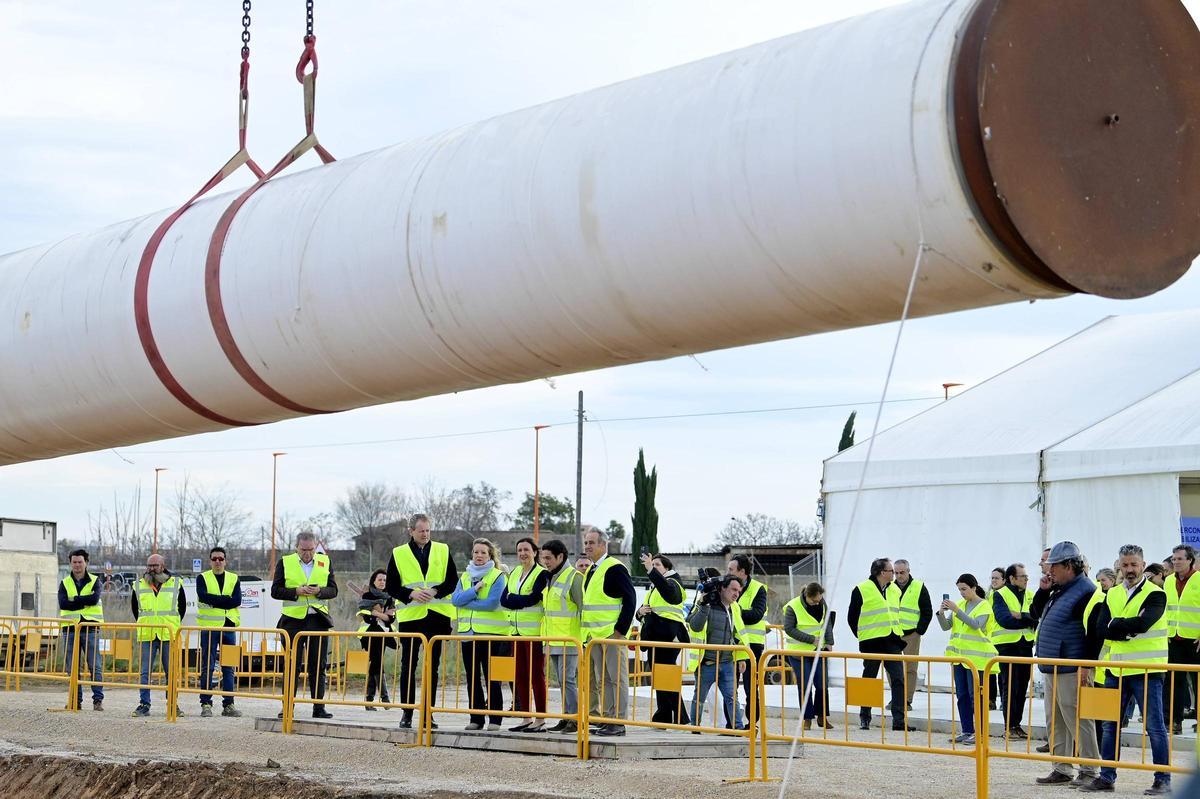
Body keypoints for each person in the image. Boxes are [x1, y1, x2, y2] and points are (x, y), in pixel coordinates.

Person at [1081, 544, 1171, 795]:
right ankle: (1107, 777)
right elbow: (1102, 629)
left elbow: (1143, 623)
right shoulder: (1112, 594)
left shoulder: (1156, 594)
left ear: (1143, 565)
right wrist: (1124, 627)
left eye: (1134, 565)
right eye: (1125, 564)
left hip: (1146, 671)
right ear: (1119, 565)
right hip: (1116, 669)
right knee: (1110, 727)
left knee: (1155, 727)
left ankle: (1163, 778)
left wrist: (1117, 625)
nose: (1129, 569)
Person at [1032, 541, 1100, 788]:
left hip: (1072, 667)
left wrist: (1086, 665)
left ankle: (1089, 769)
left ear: (1069, 566)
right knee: (1056, 720)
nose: (1049, 571)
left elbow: (1092, 633)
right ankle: (1061, 767)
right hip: (1054, 664)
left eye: (1053, 567)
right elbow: (1035, 613)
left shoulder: (1086, 591)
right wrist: (1042, 590)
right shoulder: (1060, 588)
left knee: (1079, 720)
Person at [386, 513, 458, 730]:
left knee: (432, 667)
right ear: (411, 531)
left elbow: (453, 580)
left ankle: (429, 712)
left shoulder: (443, 550)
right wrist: (410, 594)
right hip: (411, 618)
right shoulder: (398, 553)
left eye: (428, 530)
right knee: (408, 665)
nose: (425, 534)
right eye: (421, 531)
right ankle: (407, 712)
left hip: (437, 617)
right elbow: (391, 585)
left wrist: (435, 590)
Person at [271, 531, 338, 719]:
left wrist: (319, 591)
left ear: (315, 547)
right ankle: (288, 707)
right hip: (292, 621)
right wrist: (296, 591)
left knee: (318, 666)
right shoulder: (285, 562)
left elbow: (333, 590)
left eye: (310, 550)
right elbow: (275, 591)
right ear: (296, 547)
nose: (307, 554)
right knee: (292, 666)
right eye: (303, 550)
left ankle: (318, 707)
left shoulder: (325, 562)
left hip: (318, 620)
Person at [581, 526, 636, 737]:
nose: (587, 546)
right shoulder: (592, 570)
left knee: (617, 679)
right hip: (596, 637)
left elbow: (630, 599)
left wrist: (620, 630)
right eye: (586, 542)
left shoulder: (614, 567)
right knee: (603, 680)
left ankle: (618, 722)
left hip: (612, 636)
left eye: (591, 542)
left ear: (603, 545)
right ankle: (607, 719)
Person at [453, 538, 509, 731]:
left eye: (483, 552)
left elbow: (492, 603)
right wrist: (475, 590)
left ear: (490, 555)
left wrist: (467, 600)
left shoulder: (497, 576)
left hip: (491, 635)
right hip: (469, 635)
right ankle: (476, 718)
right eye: (476, 552)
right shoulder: (465, 577)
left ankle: (495, 719)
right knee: (472, 678)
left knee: (492, 678)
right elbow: (455, 599)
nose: (478, 555)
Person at [847, 557, 909, 731]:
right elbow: (852, 617)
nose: (894, 574)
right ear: (882, 573)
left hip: (892, 640)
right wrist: (862, 636)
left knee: (898, 679)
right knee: (869, 680)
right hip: (872, 642)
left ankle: (899, 721)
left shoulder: (895, 590)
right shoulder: (861, 589)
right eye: (891, 571)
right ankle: (865, 717)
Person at [938, 573, 996, 746]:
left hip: (977, 660)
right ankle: (967, 730)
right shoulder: (961, 605)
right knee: (962, 695)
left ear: (974, 588)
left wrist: (956, 610)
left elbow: (976, 624)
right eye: (959, 589)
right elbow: (946, 627)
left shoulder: (984, 605)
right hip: (959, 659)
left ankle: (980, 732)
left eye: (964, 589)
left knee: (975, 696)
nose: (961, 593)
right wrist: (941, 613)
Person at [501, 537, 550, 732]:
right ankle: (525, 717)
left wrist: (515, 599)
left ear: (535, 552)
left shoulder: (541, 574)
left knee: (536, 676)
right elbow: (503, 599)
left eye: (526, 550)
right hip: (516, 632)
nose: (523, 553)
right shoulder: (514, 573)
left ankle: (541, 718)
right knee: (520, 675)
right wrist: (516, 600)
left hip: (534, 634)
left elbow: (534, 598)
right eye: (519, 550)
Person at [637, 552, 690, 725]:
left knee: (666, 677)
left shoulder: (673, 582)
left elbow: (669, 593)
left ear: (667, 568)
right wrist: (640, 613)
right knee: (660, 677)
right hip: (656, 636)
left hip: (669, 637)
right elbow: (648, 610)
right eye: (654, 564)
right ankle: (664, 715)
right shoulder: (655, 587)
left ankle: (681, 718)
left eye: (658, 564)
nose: (654, 566)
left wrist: (650, 569)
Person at [687, 574, 747, 729]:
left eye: (739, 592)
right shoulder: (707, 604)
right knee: (698, 699)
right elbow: (695, 626)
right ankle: (695, 728)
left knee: (732, 698)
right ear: (722, 588)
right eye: (733, 589)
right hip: (707, 662)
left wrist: (741, 658)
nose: (736, 594)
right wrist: (703, 605)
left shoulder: (735, 608)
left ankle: (738, 728)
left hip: (727, 662)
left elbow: (738, 634)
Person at [131, 553, 185, 717]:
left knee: (171, 672)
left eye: (155, 565)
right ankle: (144, 704)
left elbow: (181, 608)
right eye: (149, 565)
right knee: (145, 672)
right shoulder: (139, 585)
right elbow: (135, 609)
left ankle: (172, 705)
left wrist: (171, 625)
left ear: (163, 566)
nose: (152, 569)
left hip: (168, 635)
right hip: (147, 634)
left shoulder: (176, 583)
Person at [539, 540, 582, 733]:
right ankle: (566, 717)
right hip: (555, 639)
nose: (545, 562)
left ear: (560, 557)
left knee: (568, 680)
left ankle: (574, 719)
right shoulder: (552, 577)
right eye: (543, 558)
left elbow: (583, 609)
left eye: (548, 558)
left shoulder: (574, 577)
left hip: (570, 639)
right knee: (562, 681)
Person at [196, 546, 243, 718]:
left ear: (225, 561)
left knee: (229, 667)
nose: (217, 562)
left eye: (220, 559)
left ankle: (228, 705)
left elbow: (237, 600)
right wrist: (226, 601)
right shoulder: (202, 578)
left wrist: (216, 601)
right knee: (207, 666)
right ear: (210, 561)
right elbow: (203, 596)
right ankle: (206, 703)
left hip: (228, 627)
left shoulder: (233, 578)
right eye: (214, 559)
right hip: (209, 629)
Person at [991, 562, 1035, 738]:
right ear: (1012, 578)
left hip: (1025, 645)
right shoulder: (1000, 595)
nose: (1026, 579)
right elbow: (1004, 620)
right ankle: (1009, 726)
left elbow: (1037, 618)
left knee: (1022, 686)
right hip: (1007, 646)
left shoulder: (1030, 595)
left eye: (1026, 576)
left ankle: (1017, 724)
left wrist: (1021, 616)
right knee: (1009, 686)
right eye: (1022, 576)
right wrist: (1028, 619)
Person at [782, 581, 833, 730]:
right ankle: (807, 718)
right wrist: (811, 639)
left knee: (822, 685)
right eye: (815, 601)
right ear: (807, 596)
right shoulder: (793, 606)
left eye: (819, 600)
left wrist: (829, 642)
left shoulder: (822, 603)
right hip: (799, 653)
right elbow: (789, 629)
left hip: (819, 651)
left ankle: (822, 717)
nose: (818, 603)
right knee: (805, 686)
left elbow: (827, 622)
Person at [58, 548, 104, 711]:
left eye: (80, 562)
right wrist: (83, 601)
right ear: (70, 563)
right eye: (74, 562)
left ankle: (97, 701)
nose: (77, 565)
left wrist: (75, 600)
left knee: (95, 666)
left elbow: (94, 599)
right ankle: (75, 700)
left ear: (86, 563)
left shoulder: (95, 581)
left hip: (91, 628)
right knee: (72, 667)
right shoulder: (64, 583)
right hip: (70, 629)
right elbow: (63, 604)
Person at [727, 554, 768, 725]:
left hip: (753, 646)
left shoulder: (759, 589)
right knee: (730, 687)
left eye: (731, 569)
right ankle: (732, 723)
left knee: (752, 687)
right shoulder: (726, 586)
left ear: (742, 572)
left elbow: (756, 616)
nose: (727, 572)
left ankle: (752, 724)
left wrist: (733, 612)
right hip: (731, 643)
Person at [1165, 544, 1200, 735]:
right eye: (1174, 559)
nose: (1175, 562)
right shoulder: (1168, 581)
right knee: (1173, 682)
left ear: (1190, 560)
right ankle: (1174, 721)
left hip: (1195, 640)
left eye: (1179, 558)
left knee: (1198, 682)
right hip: (1174, 638)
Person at [894, 559, 932, 712]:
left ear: (908, 571)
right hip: (894, 634)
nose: (899, 576)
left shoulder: (919, 587)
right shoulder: (890, 588)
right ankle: (896, 698)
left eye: (902, 572)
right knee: (893, 668)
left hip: (911, 634)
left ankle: (907, 700)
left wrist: (919, 631)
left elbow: (926, 611)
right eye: (896, 573)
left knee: (910, 668)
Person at [357, 569, 396, 708]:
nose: (382, 582)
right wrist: (382, 614)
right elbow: (367, 615)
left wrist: (377, 613)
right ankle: (384, 698)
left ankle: (369, 700)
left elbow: (391, 618)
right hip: (369, 633)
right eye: (379, 579)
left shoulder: (390, 597)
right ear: (373, 581)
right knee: (377, 662)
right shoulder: (367, 595)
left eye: (385, 580)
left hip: (383, 633)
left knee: (375, 664)